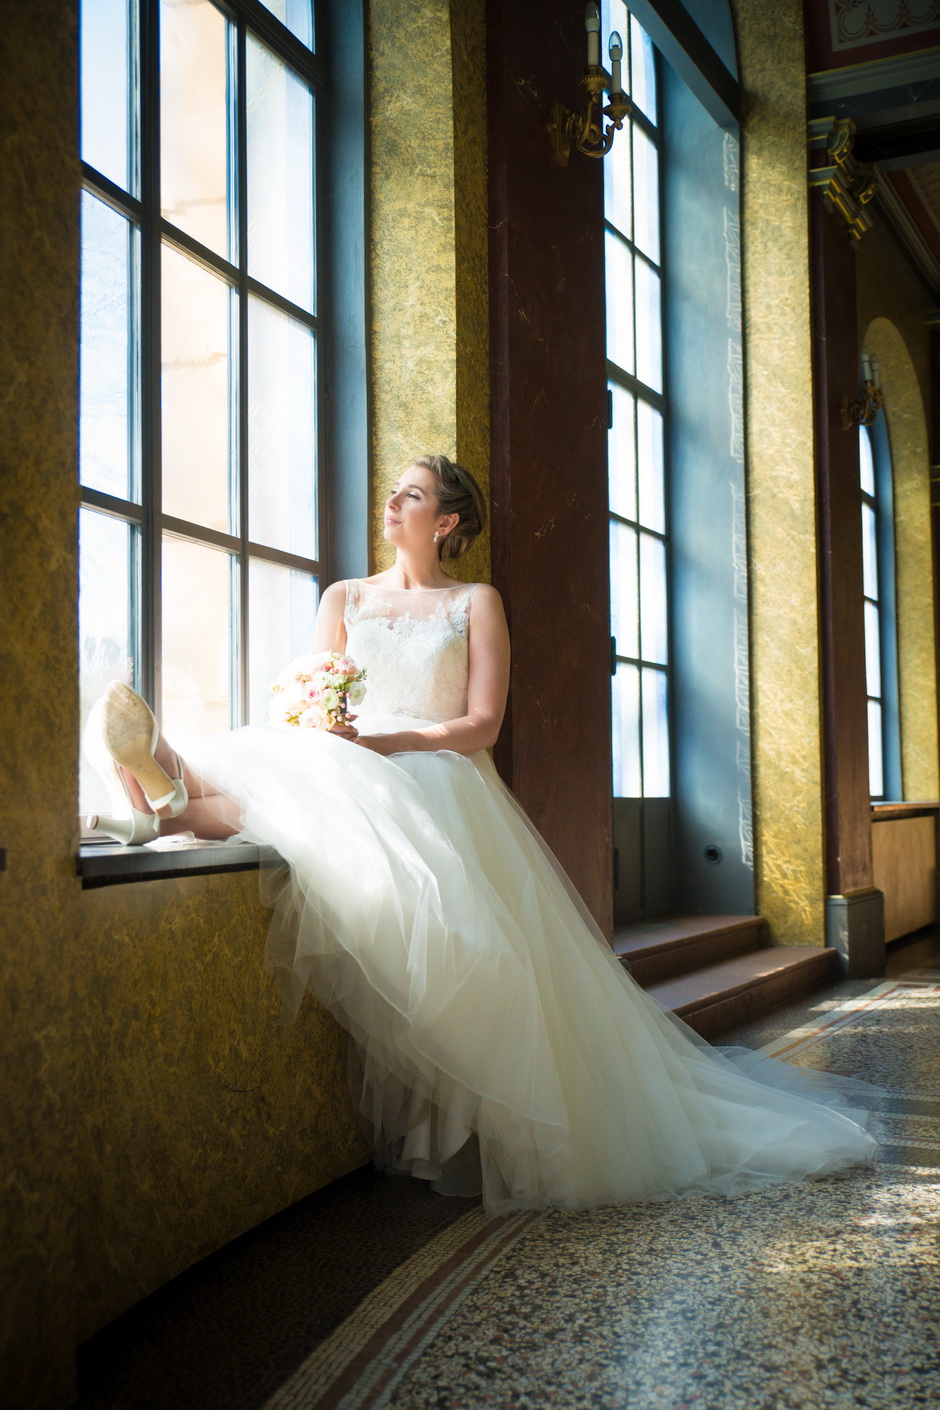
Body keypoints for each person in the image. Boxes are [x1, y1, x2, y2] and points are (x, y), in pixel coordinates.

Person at [84, 454, 878, 1214]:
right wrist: (328, 724)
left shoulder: (475, 602)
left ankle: (167, 795)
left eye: (411, 495)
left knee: (338, 796)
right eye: (394, 493)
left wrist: (383, 742)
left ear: (447, 520)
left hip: (431, 769)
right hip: (345, 757)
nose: (392, 504)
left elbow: (480, 724)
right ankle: (171, 783)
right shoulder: (344, 598)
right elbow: (308, 708)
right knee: (293, 766)